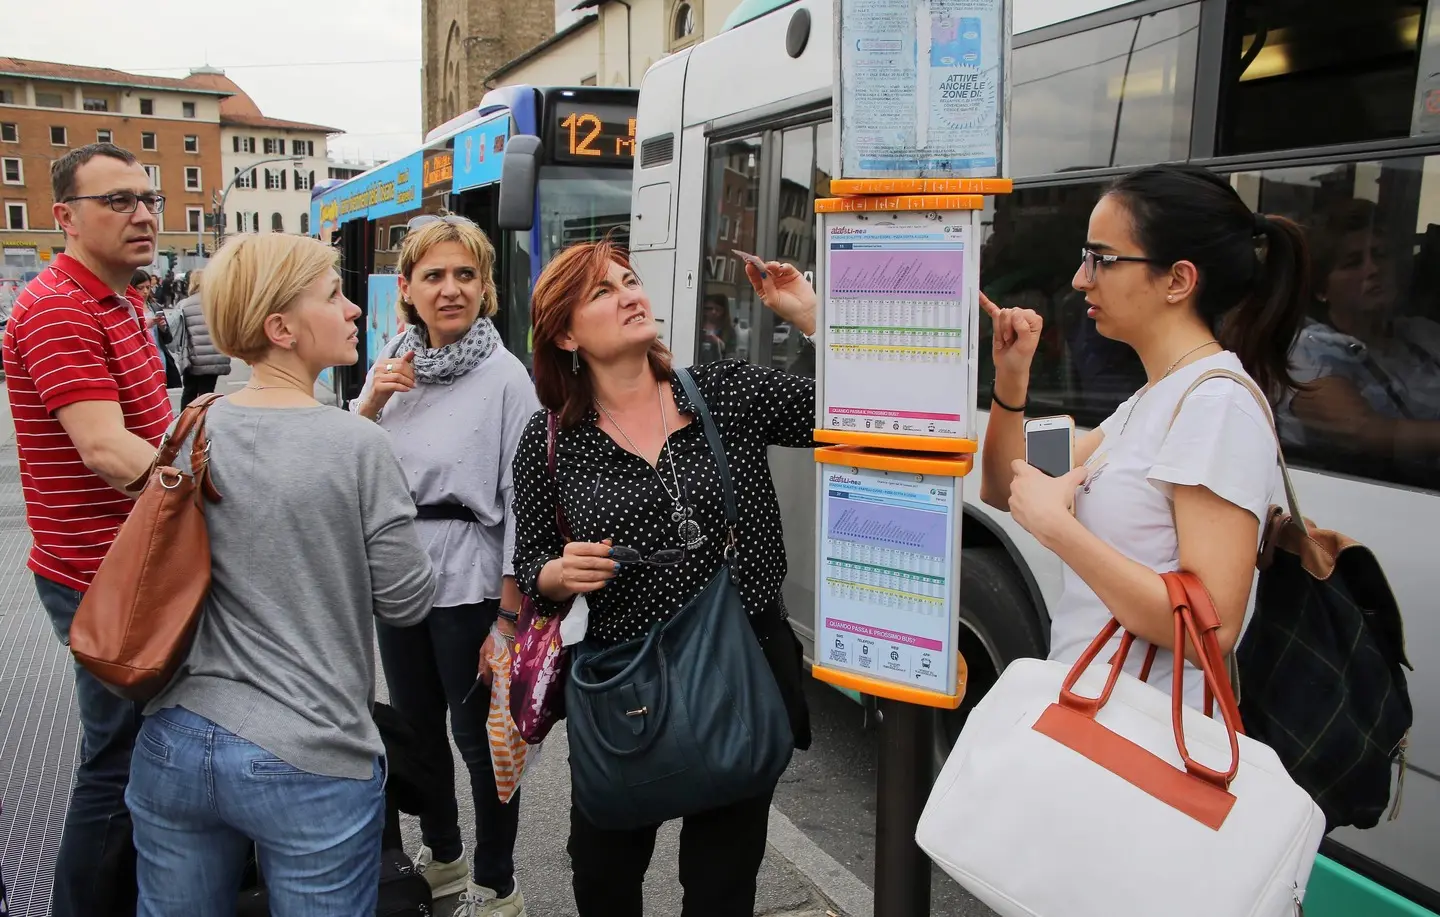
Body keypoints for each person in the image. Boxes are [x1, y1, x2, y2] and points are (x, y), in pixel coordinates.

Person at [123, 231, 437, 914]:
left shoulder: (192, 426)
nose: (355, 309)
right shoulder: (358, 443)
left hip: (175, 739)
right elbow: (406, 599)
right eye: (334, 295)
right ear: (281, 327)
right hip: (309, 754)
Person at [511, 239, 813, 917]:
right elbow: (530, 565)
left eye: (631, 280)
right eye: (602, 291)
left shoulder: (728, 393)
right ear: (564, 333)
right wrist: (559, 573)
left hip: (740, 673)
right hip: (623, 694)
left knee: (721, 894)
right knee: (603, 885)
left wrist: (811, 315)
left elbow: (854, 418)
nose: (630, 294)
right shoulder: (550, 437)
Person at [978, 162, 1311, 709]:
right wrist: (1013, 375)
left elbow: (1212, 630)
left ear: (1178, 280)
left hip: (1143, 736)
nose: (1081, 278)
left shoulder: (1216, 404)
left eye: (1101, 259)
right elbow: (1006, 488)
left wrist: (1058, 528)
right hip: (1095, 712)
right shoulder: (1151, 397)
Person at [0, 143, 174, 917]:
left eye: (148, 198)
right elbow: (107, 449)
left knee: (139, 751)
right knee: (118, 759)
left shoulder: (123, 298)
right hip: (102, 574)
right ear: (65, 217)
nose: (141, 214)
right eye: (117, 201)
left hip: (135, 562)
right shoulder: (60, 307)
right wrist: (213, 495)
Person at [350, 214, 538, 917]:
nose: (450, 288)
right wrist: (373, 398)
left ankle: (496, 881)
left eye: (466, 274)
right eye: (434, 275)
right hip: (398, 573)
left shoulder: (504, 376)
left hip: (470, 579)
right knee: (416, 731)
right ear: (407, 287)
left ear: (486, 286)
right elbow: (346, 456)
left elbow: (526, 499)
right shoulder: (393, 361)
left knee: (482, 740)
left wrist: (510, 612)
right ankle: (446, 853)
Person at [176, 269, 233, 408]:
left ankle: (186, 423)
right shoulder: (218, 303)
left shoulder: (185, 304)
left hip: (193, 357)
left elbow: (178, 334)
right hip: (215, 355)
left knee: (189, 392)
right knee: (207, 393)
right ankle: (202, 423)